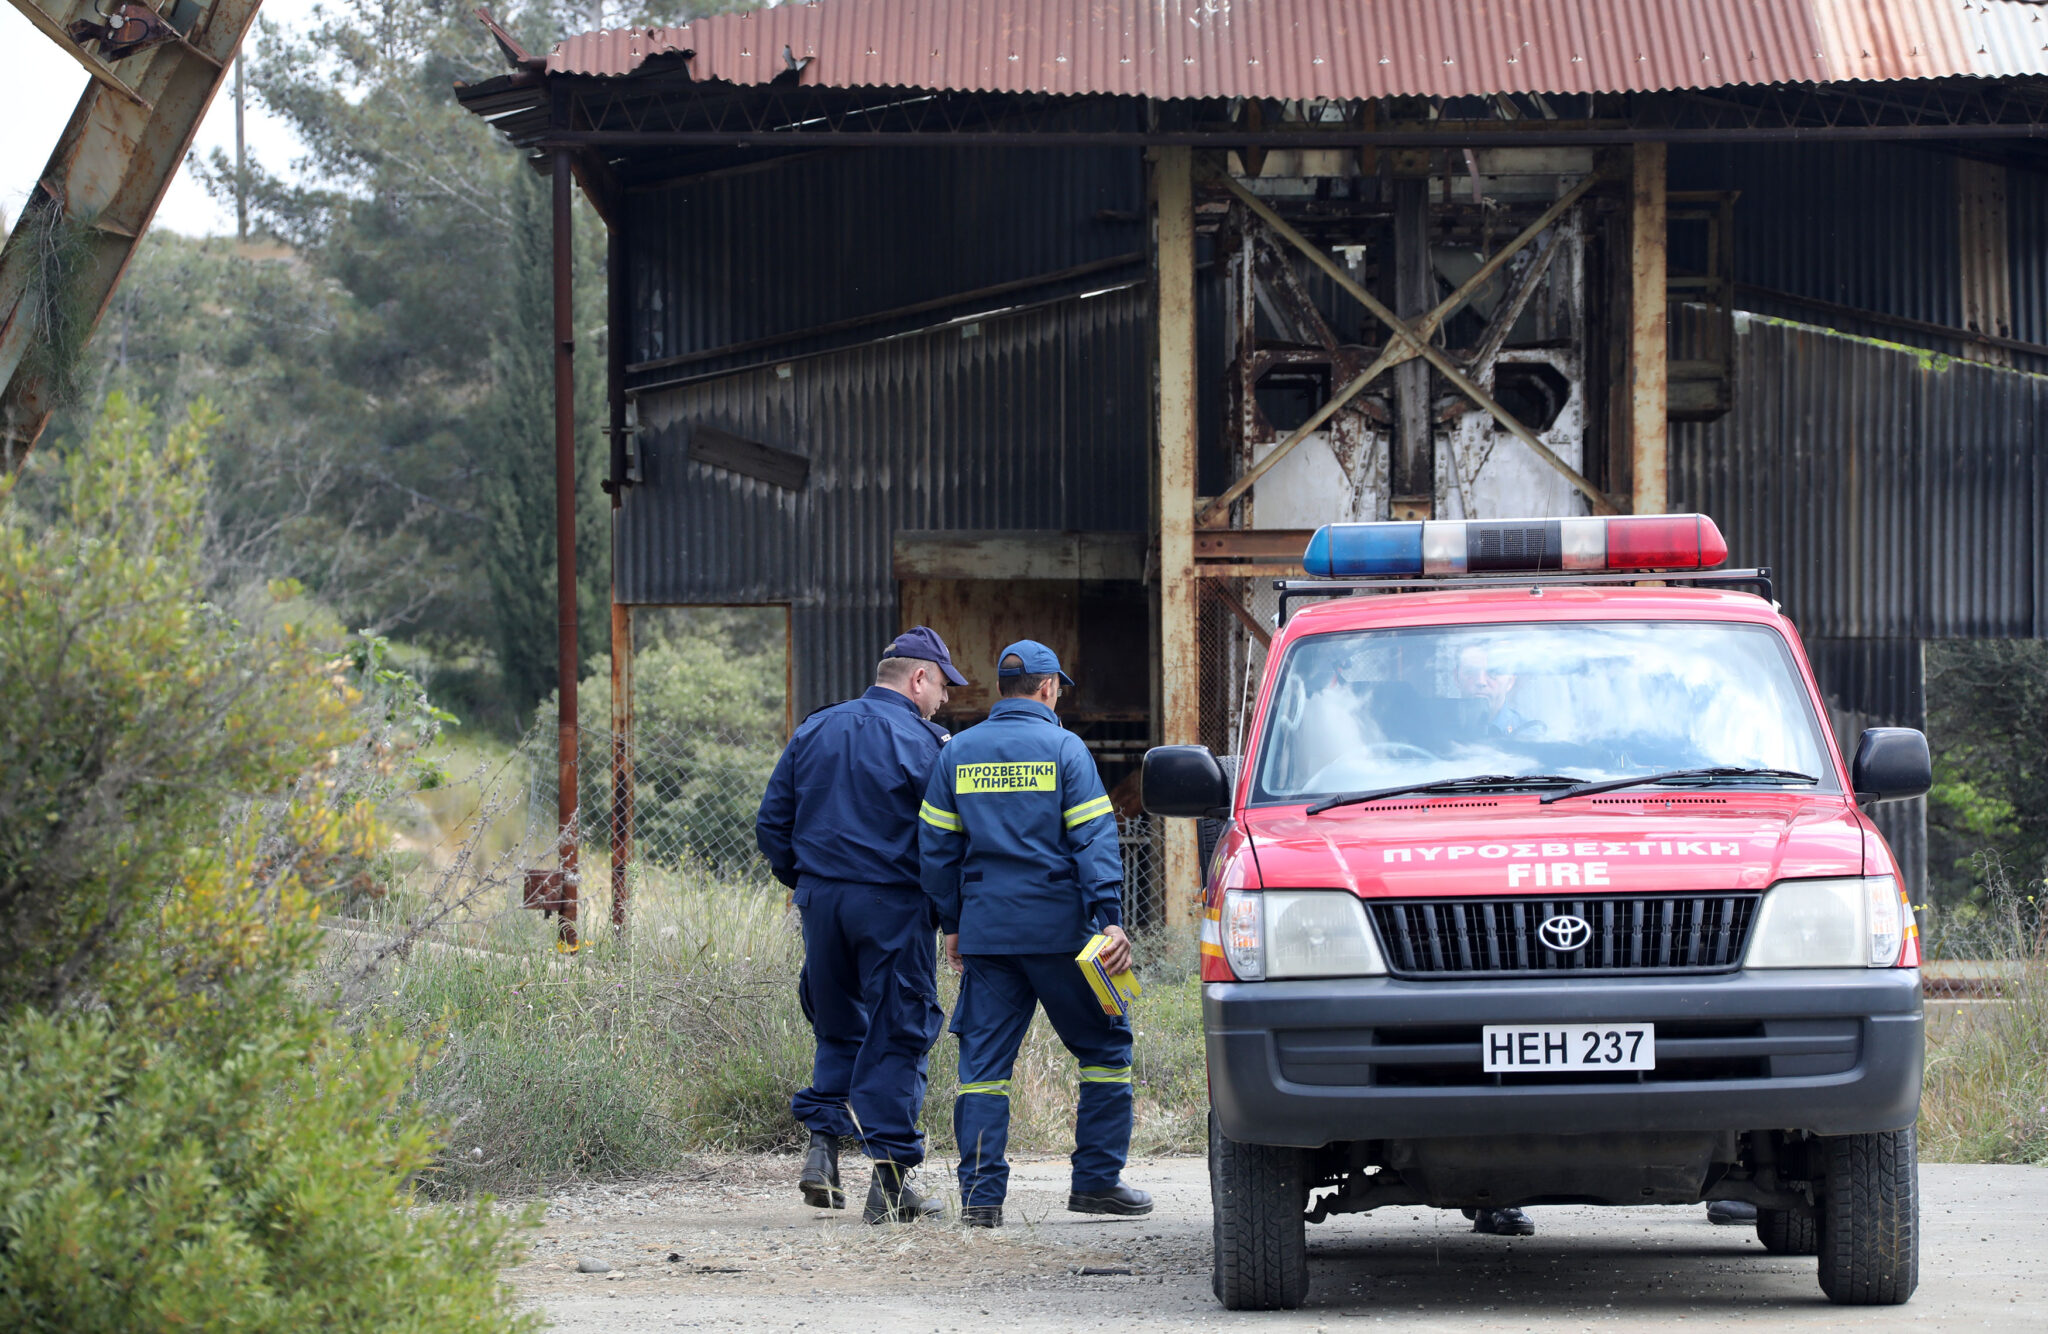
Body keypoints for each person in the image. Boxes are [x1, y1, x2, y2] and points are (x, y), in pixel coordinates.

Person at [918, 639, 1152, 1229]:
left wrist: (953, 923)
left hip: (989, 937)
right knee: (1105, 1049)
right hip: (1066, 935)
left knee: (983, 1068)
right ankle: (1097, 1182)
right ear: (1048, 689)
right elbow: (1094, 841)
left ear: (1002, 689)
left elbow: (936, 851)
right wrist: (1110, 919)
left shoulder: (957, 753)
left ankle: (980, 1200)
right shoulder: (1066, 750)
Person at [756, 626, 968, 1224]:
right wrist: (950, 913)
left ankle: (821, 1153)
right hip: (892, 905)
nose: (945, 700)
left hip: (821, 903)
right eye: (942, 686)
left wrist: (804, 883)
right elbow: (944, 837)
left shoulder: (815, 728)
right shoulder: (927, 743)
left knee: (838, 1023)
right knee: (902, 1028)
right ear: (919, 677)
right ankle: (891, 1185)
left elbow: (772, 822)